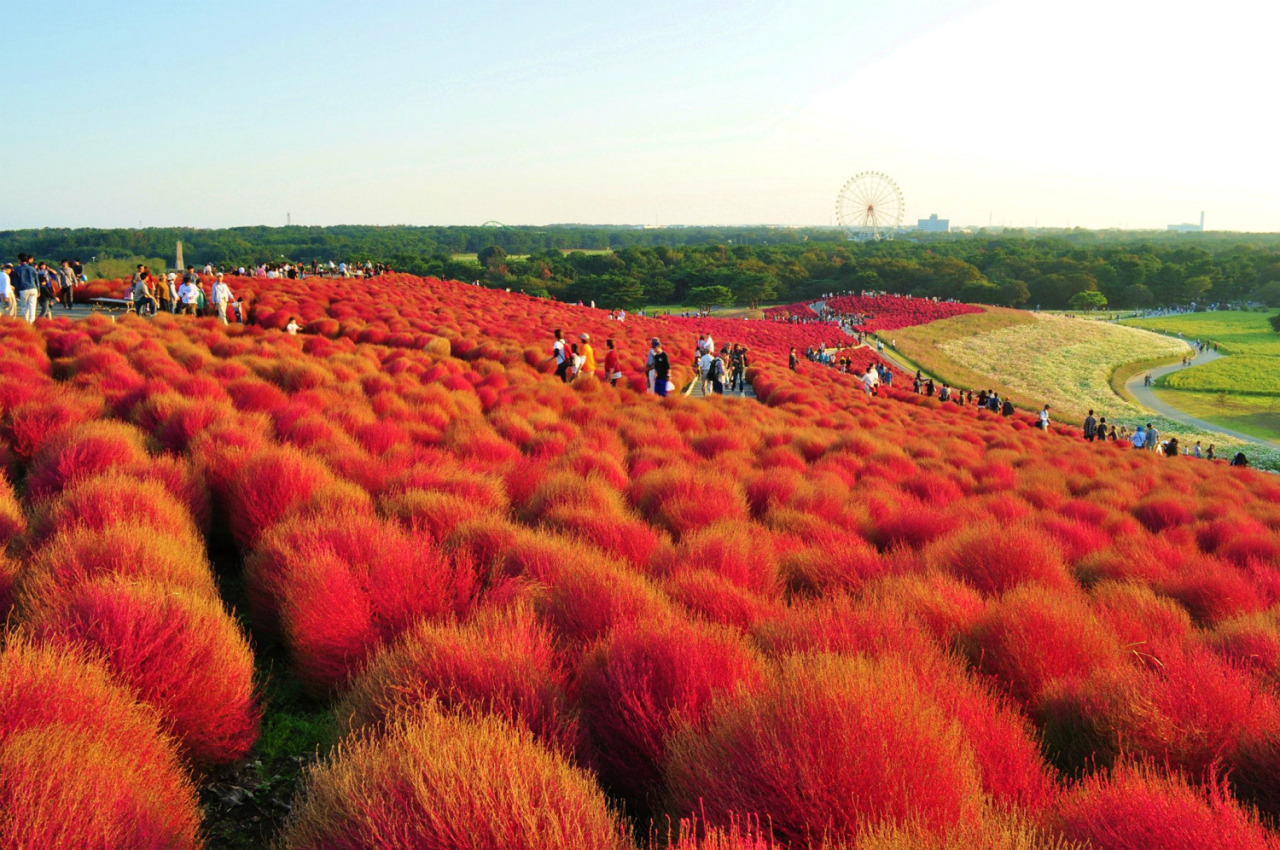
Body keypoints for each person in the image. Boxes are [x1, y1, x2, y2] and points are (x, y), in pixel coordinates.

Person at [13, 255, 39, 323]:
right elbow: (36, 280)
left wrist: (16, 292)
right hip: (33, 288)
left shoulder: (17, 269)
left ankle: (25, 322)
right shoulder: (32, 268)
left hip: (23, 289)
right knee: (32, 306)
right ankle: (31, 322)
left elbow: (16, 283)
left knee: (24, 307)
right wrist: (38, 290)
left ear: (20, 260)